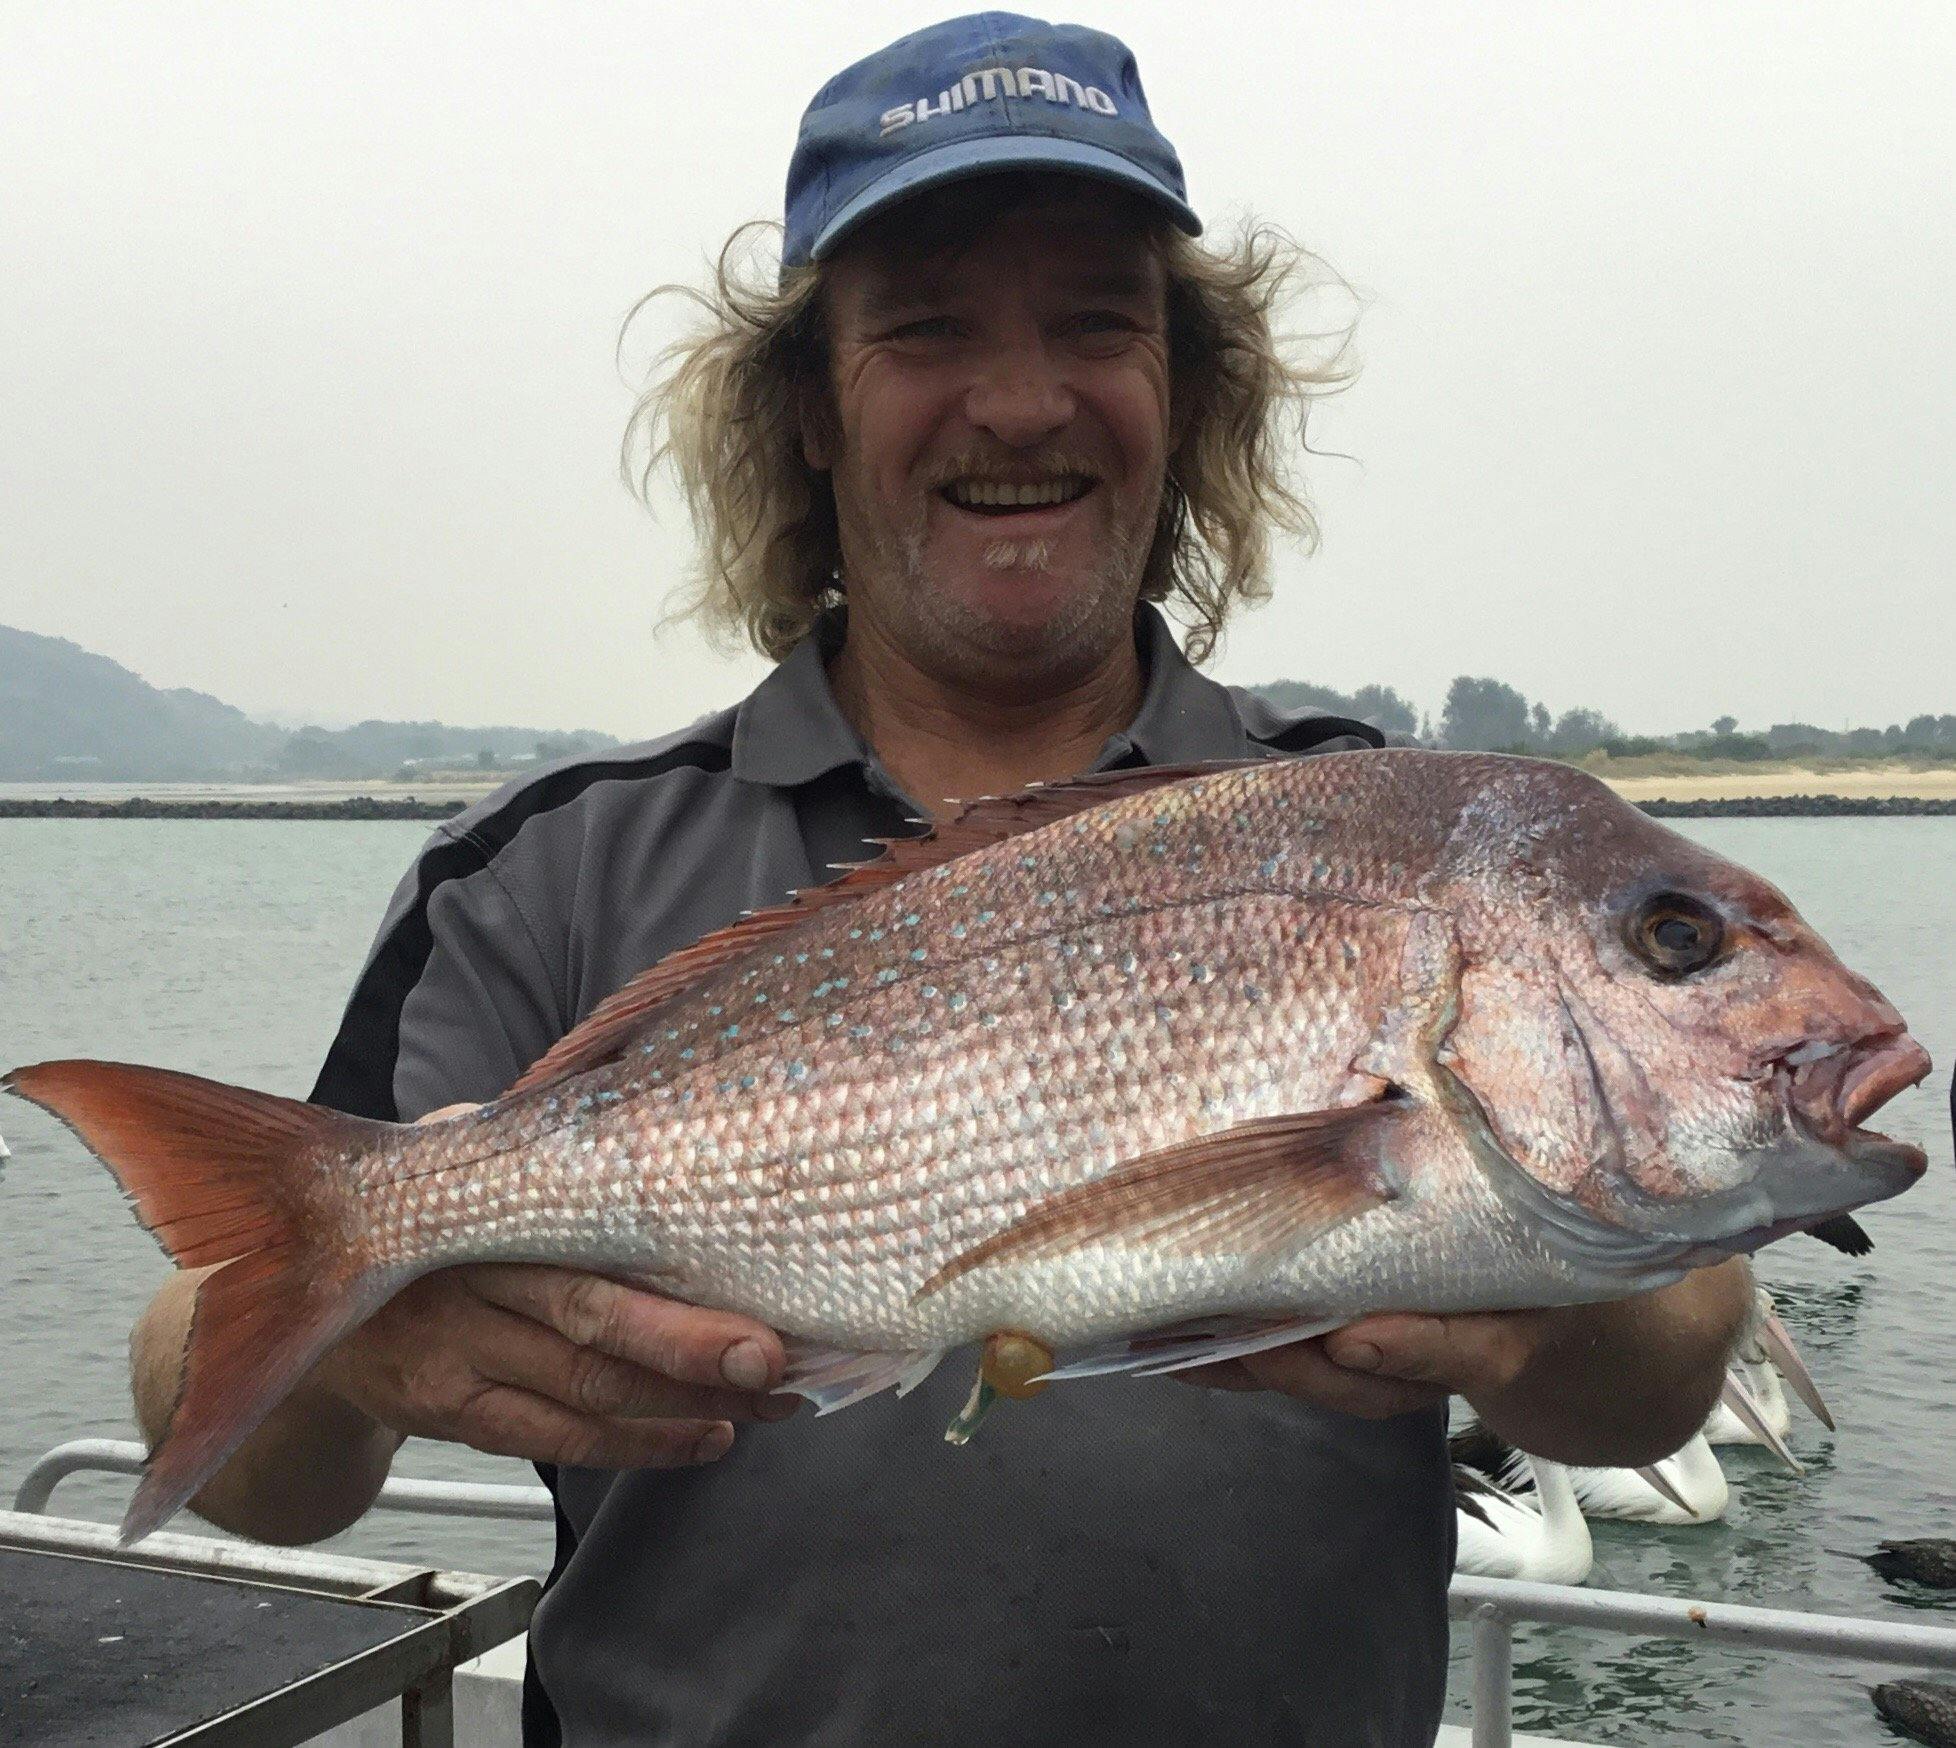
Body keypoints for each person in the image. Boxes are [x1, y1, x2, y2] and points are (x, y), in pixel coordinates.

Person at [129, 15, 1750, 1744]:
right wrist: (358, 1347)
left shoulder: (1387, 833)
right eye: (924, 330)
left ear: (1183, 393)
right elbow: (240, 1459)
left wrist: (1544, 1336)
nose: (1023, 399)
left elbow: (1661, 1376)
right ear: (809, 414)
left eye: (1096, 322)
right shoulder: (547, 876)